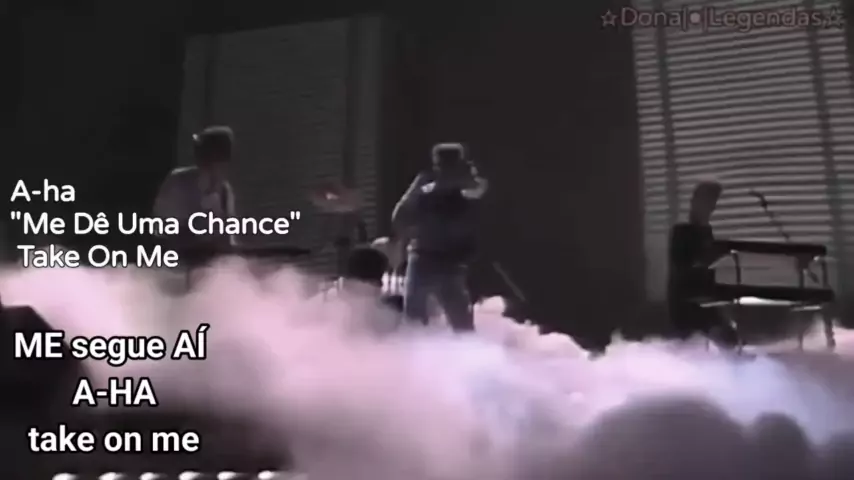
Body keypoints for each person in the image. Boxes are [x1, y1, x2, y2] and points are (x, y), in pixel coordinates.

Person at [391, 142, 488, 332]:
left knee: (453, 321)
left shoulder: (458, 187)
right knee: (419, 320)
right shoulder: (428, 187)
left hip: (441, 260)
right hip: (429, 258)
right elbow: (400, 218)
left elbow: (477, 189)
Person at [152, 126, 237, 270]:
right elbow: (162, 233)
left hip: (212, 271)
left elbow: (228, 241)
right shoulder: (179, 183)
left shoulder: (225, 191)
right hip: (174, 269)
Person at [667, 181, 739, 347]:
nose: (711, 207)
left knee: (729, 338)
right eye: (709, 201)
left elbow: (707, 266)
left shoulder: (706, 231)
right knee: (721, 339)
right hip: (687, 303)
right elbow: (684, 266)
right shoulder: (681, 231)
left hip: (705, 299)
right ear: (695, 202)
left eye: (713, 202)